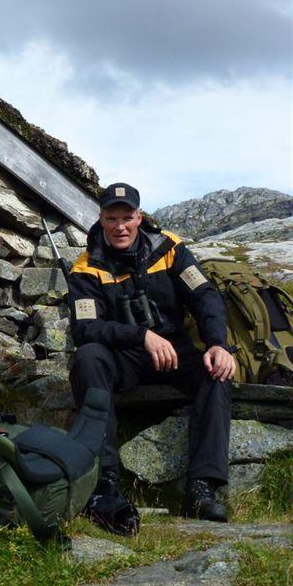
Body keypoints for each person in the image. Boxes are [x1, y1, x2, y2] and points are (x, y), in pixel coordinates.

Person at [67, 182, 234, 534]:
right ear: (101, 219)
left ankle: (202, 488)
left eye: (127, 217)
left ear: (139, 217)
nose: (120, 226)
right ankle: (104, 484)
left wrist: (219, 343)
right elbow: (85, 329)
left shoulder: (170, 248)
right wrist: (140, 335)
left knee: (216, 371)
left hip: (175, 352)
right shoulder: (85, 267)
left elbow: (204, 295)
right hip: (123, 358)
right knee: (87, 358)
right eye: (112, 218)